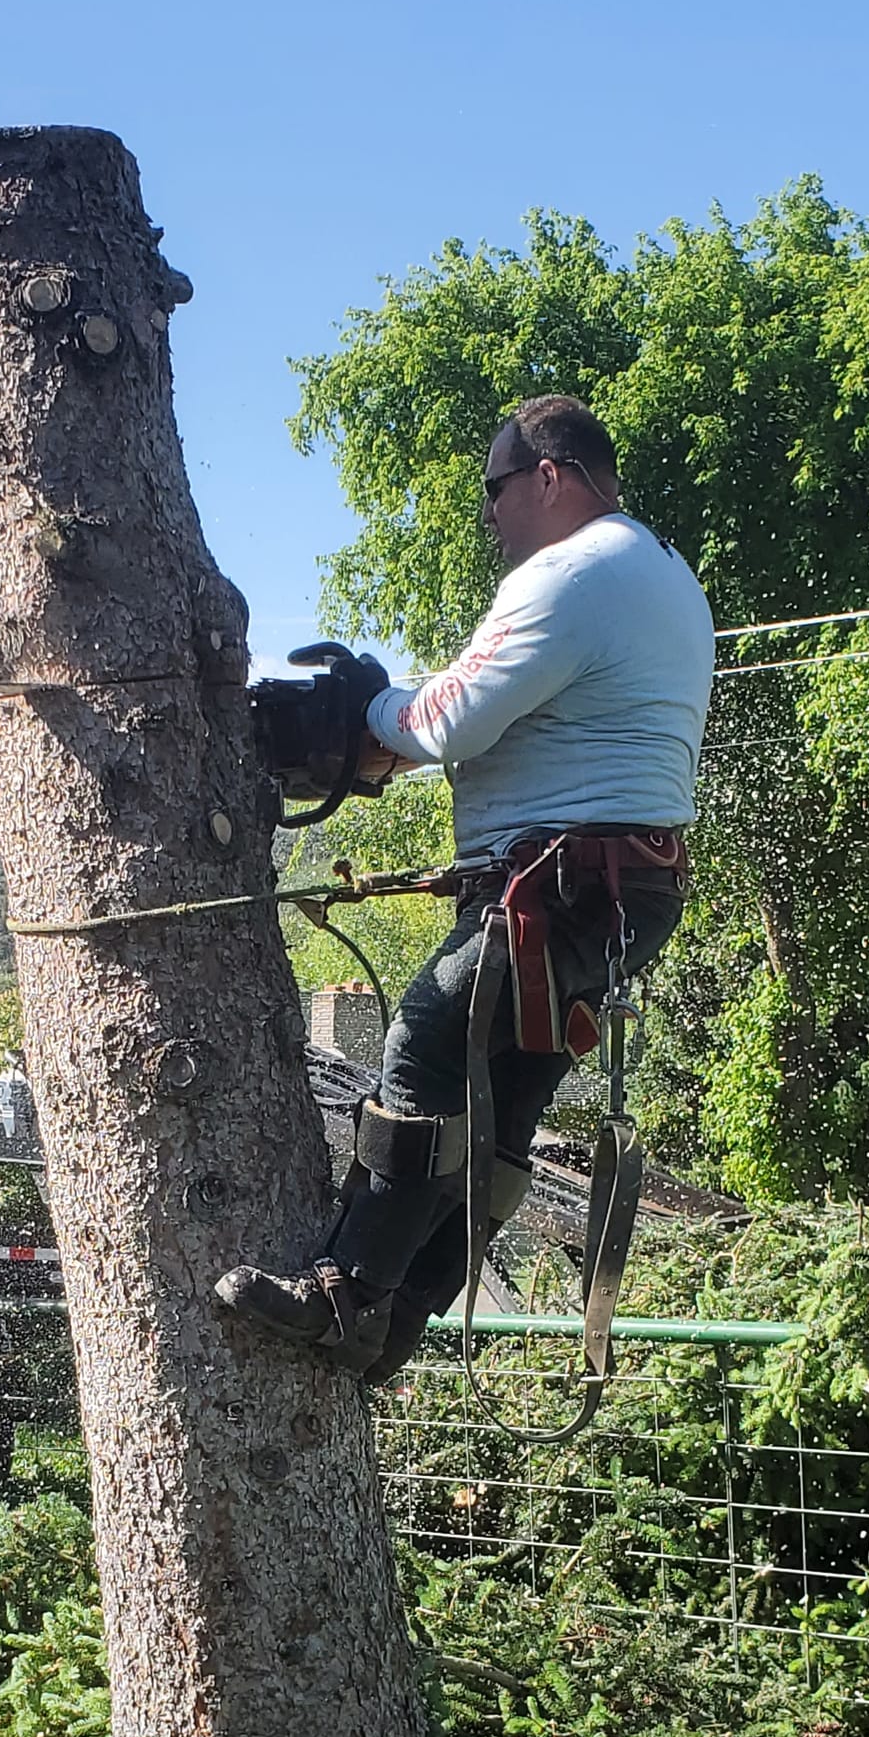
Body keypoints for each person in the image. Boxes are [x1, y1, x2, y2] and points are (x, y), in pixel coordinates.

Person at [218, 394, 715, 1379]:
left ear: (549, 475)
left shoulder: (572, 574)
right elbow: (501, 720)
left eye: (495, 487)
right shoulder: (656, 571)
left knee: (425, 1043)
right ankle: (400, 1322)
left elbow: (446, 719)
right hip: (620, 888)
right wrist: (376, 736)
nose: (488, 512)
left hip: (561, 886)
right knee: (500, 1111)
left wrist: (371, 702)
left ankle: (347, 1289)